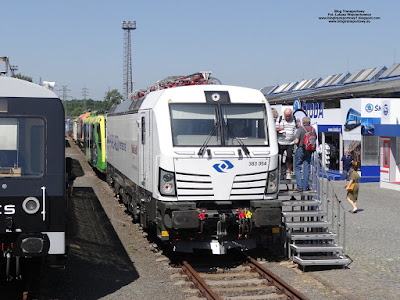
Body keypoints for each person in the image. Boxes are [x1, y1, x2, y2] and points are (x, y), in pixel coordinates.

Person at [294, 116, 316, 192]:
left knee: (297, 167)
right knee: (307, 168)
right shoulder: (313, 129)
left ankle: (299, 186)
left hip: (301, 149)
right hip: (309, 150)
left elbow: (296, 141)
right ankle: (305, 186)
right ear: (309, 122)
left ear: (303, 122)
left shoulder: (301, 129)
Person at [275, 108, 296, 179]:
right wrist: (279, 129)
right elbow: (274, 129)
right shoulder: (279, 119)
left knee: (289, 157)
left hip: (290, 143)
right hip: (280, 142)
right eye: (286, 116)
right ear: (284, 114)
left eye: (289, 116)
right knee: (280, 158)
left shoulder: (294, 119)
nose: (287, 117)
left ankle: (288, 173)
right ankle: (281, 172)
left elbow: (298, 127)